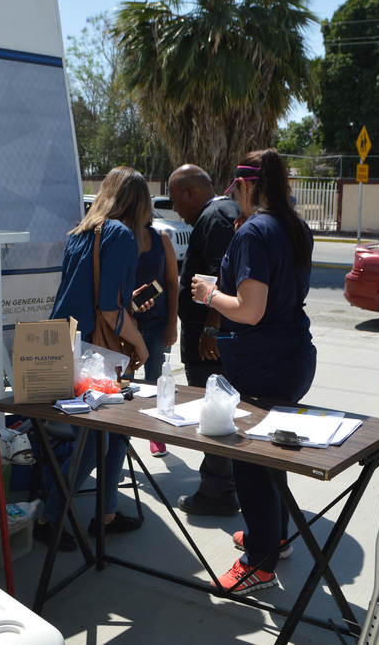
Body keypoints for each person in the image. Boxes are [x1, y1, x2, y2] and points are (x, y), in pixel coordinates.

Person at [191, 148, 316, 595]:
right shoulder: (295, 226)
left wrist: (209, 293)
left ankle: (259, 563)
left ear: (246, 186)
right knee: (270, 455)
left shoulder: (254, 231)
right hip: (293, 358)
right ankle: (275, 538)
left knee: (250, 461)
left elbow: (248, 310)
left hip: (264, 364)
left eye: (237, 191)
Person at [34, 167, 151, 551]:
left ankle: (107, 513)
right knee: (93, 443)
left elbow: (90, 294)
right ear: (138, 202)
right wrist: (142, 345)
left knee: (113, 431)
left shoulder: (82, 233)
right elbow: (108, 310)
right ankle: (49, 518)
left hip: (66, 344)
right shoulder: (120, 234)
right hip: (94, 355)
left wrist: (126, 303)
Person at [168, 164, 243, 516]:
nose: (174, 210)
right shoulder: (225, 211)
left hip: (209, 338)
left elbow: (219, 278)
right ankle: (228, 484)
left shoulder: (214, 217)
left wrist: (210, 330)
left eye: (174, 200)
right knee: (223, 410)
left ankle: (218, 491)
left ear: (190, 192)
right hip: (215, 333)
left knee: (213, 412)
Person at [130, 220, 179, 456]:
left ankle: (156, 435)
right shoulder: (120, 237)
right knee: (124, 386)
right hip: (127, 326)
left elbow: (171, 282)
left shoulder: (162, 238)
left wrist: (172, 322)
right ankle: (122, 439)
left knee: (158, 383)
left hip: (158, 325)